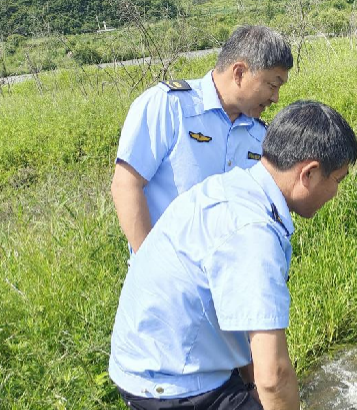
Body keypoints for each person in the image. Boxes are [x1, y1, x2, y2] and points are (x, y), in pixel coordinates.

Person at [109, 100, 357, 410]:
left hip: (146, 366)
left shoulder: (233, 187)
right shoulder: (253, 233)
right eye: (338, 180)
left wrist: (250, 394)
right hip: (177, 382)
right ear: (309, 173)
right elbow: (272, 372)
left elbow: (237, 332)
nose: (337, 193)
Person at [111, 25, 293, 252]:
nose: (275, 98)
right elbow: (126, 185)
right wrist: (151, 264)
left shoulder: (260, 135)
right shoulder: (170, 106)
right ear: (239, 73)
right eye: (272, 85)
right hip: (169, 278)